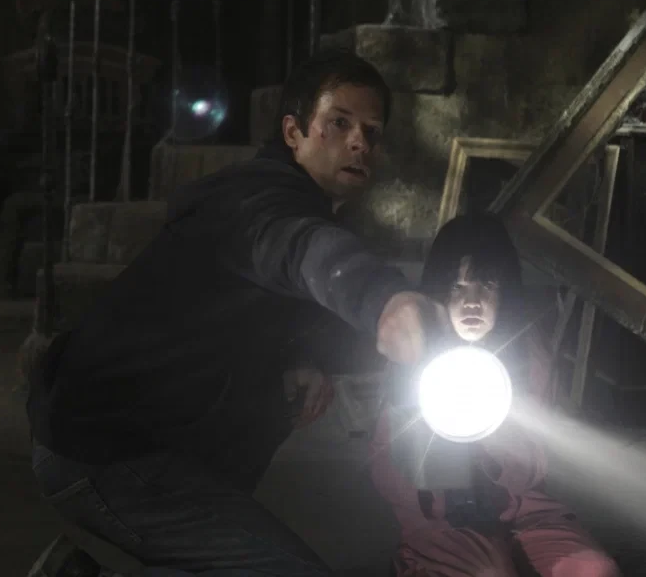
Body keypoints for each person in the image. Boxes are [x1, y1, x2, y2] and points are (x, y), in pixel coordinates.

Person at [25, 48, 441, 577]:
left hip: (133, 438)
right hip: (102, 451)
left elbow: (296, 302)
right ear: (293, 132)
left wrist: (305, 354)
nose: (360, 141)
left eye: (372, 132)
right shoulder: (256, 205)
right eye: (339, 123)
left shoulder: (297, 205)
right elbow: (298, 250)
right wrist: (383, 300)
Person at [369, 213, 620, 577]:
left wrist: (499, 433)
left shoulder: (529, 355)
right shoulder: (415, 358)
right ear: (437, 291)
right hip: (443, 518)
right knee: (489, 572)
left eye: (486, 285)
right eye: (457, 287)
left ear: (506, 291)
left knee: (595, 569)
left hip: (525, 509)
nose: (472, 302)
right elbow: (386, 469)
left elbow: (538, 463)